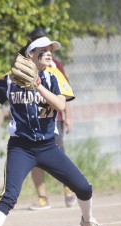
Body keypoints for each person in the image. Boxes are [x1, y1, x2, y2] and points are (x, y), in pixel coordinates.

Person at [0, 35, 108, 226]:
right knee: (9, 195)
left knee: (84, 188)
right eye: (43, 50)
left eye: (50, 50)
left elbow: (60, 104)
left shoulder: (53, 76)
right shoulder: (10, 79)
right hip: (21, 147)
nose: (49, 53)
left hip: (48, 146)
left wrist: (38, 86)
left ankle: (88, 220)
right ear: (30, 55)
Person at [27, 29, 77, 210]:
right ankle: (42, 198)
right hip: (32, 120)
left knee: (57, 155)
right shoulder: (25, 68)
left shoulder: (55, 66)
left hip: (53, 119)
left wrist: (68, 117)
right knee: (33, 157)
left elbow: (65, 93)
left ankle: (69, 189)